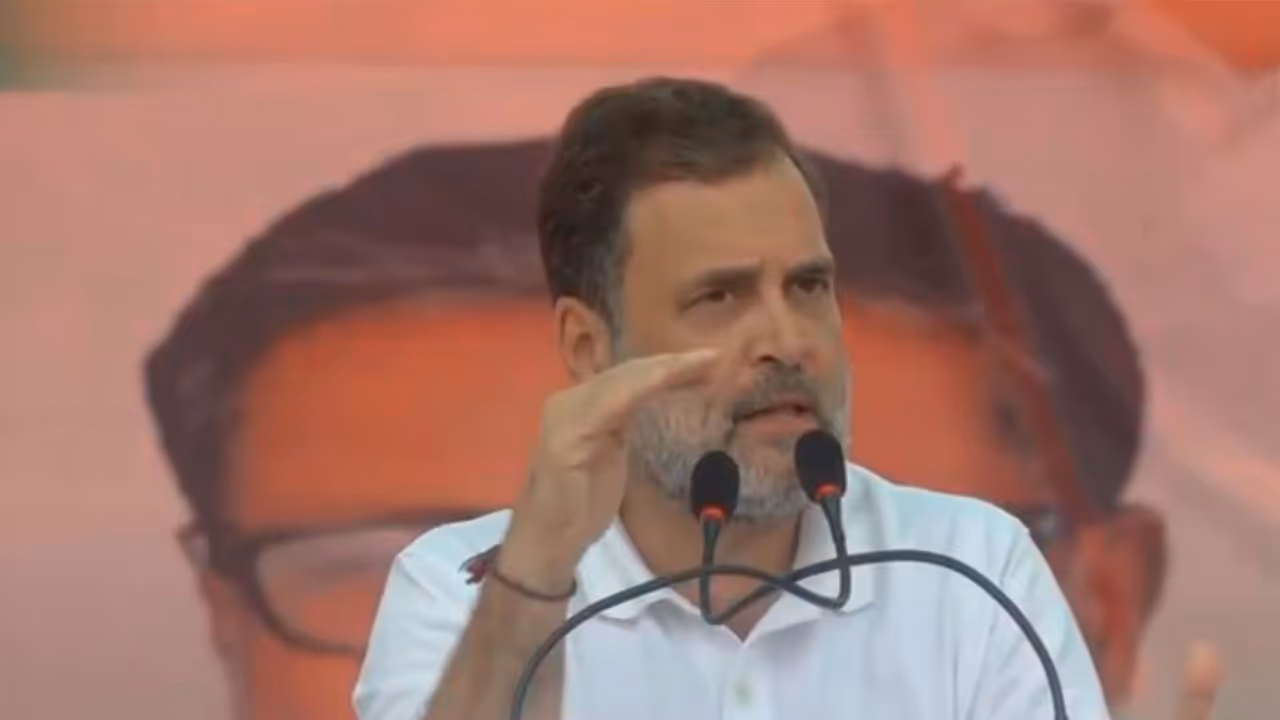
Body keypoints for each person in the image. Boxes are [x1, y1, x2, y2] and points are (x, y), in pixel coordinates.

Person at [146, 111, 1163, 720]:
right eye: (719, 298)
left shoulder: (973, 567)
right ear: (591, 349)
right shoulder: (454, 587)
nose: (787, 342)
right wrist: (533, 585)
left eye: (808, 288)